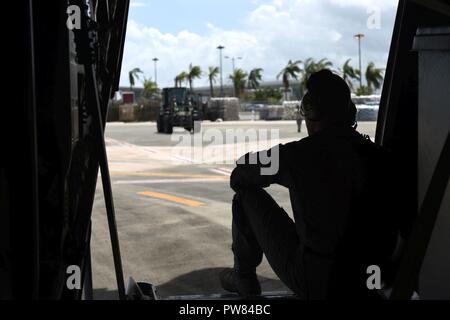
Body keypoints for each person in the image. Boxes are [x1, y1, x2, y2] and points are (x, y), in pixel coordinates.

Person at [220, 69, 400, 299]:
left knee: (245, 196)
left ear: (309, 112)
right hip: (368, 282)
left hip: (317, 282)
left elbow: (239, 176)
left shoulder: (298, 155)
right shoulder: (380, 157)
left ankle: (243, 278)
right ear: (351, 113)